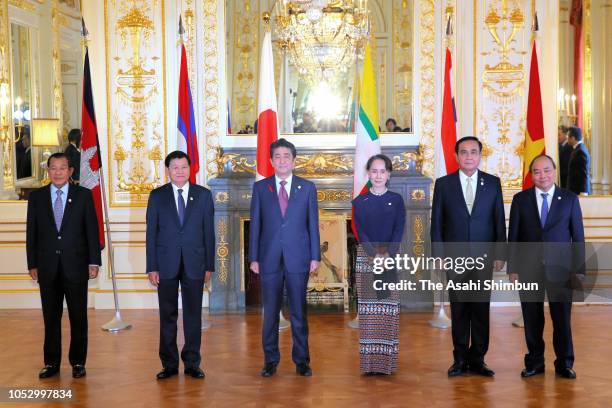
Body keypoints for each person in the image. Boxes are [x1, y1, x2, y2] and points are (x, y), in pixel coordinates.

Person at [431, 136, 506, 377]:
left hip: (484, 257)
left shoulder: (493, 183)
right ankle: (460, 358)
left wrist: (500, 253)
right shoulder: (444, 184)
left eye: (474, 152)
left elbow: (498, 221)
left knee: (481, 309)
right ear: (456, 156)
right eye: (464, 152)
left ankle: (478, 359)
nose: (469, 156)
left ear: (480, 155)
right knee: (460, 307)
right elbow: (437, 223)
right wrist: (439, 255)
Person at [508, 155, 584, 379]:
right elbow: (513, 236)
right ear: (531, 174)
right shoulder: (520, 200)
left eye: (547, 170)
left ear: (554, 171)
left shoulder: (569, 199)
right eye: (537, 172)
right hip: (528, 268)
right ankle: (534, 362)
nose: (543, 176)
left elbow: (578, 236)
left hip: (561, 270)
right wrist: (513, 268)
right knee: (532, 318)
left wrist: (579, 269)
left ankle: (564, 363)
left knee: (562, 319)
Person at [249, 138, 320, 378]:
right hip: (268, 258)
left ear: (293, 160)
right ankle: (270, 360)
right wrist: (254, 257)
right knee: (270, 313)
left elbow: (313, 225)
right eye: (277, 156)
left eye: (286, 156)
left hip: (298, 257)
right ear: (271, 161)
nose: (281, 160)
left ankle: (302, 360)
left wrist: (315, 256)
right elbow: (256, 224)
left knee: (299, 311)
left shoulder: (307, 187)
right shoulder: (261, 188)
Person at [26, 152, 101, 379]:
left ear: (70, 171)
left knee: (78, 316)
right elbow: (32, 233)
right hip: (47, 266)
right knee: (51, 317)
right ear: (47, 171)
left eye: (62, 168)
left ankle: (78, 362)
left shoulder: (83, 196)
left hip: (76, 265)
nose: (57, 172)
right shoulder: (36, 197)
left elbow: (91, 230)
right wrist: (32, 263)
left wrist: (94, 260)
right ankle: (51, 362)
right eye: (53, 168)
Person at [146, 151, 215, 380]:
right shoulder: (157, 196)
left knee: (193, 315)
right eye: (174, 168)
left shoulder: (203, 195)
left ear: (190, 168)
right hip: (165, 263)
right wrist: (152, 266)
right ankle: (169, 364)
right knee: (168, 315)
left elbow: (209, 233)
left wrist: (209, 266)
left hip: (195, 263)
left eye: (183, 167)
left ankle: (193, 363)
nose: (179, 171)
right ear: (168, 170)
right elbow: (151, 235)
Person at [352, 154, 405, 375]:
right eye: (374, 171)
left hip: (390, 259)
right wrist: (374, 253)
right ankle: (369, 364)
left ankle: (386, 364)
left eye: (383, 171)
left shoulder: (397, 199)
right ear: (368, 173)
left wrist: (387, 254)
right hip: (367, 259)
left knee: (387, 310)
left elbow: (399, 229)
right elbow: (360, 229)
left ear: (389, 174)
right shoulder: (359, 201)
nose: (378, 175)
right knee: (369, 312)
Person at [566, 126, 591, 195]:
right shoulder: (577, 149)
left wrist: (584, 191)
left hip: (579, 191)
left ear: (573, 138)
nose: (567, 139)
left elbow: (584, 173)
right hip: (574, 189)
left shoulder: (580, 151)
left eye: (568, 137)